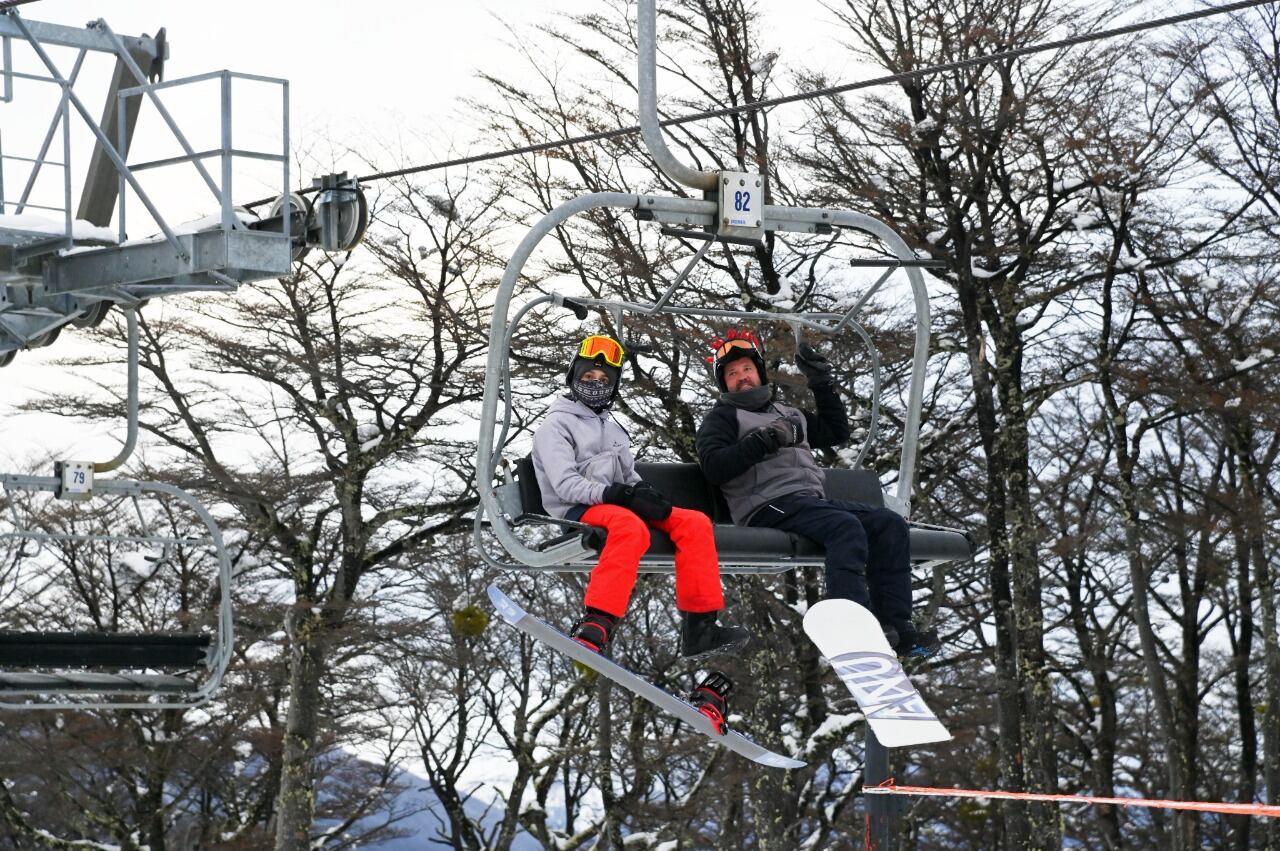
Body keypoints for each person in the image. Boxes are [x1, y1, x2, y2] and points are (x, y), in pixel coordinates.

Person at [693, 329, 939, 659]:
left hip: (808, 501)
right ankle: (852, 626)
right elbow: (713, 467)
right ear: (724, 383)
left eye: (746, 369)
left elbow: (836, 431)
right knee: (845, 528)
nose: (741, 378)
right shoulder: (722, 419)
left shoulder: (786, 412)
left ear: (759, 372)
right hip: (767, 504)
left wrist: (821, 383)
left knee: (889, 524)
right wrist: (762, 441)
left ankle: (898, 627)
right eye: (732, 374)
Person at [532, 334, 751, 661]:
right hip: (577, 510)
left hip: (613, 504)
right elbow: (565, 484)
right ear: (574, 377)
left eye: (604, 379)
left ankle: (700, 628)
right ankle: (598, 622)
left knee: (693, 522)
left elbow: (627, 475)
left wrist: (644, 493)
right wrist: (616, 495)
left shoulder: (613, 428)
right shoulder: (555, 426)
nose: (595, 384)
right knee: (629, 526)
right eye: (588, 377)